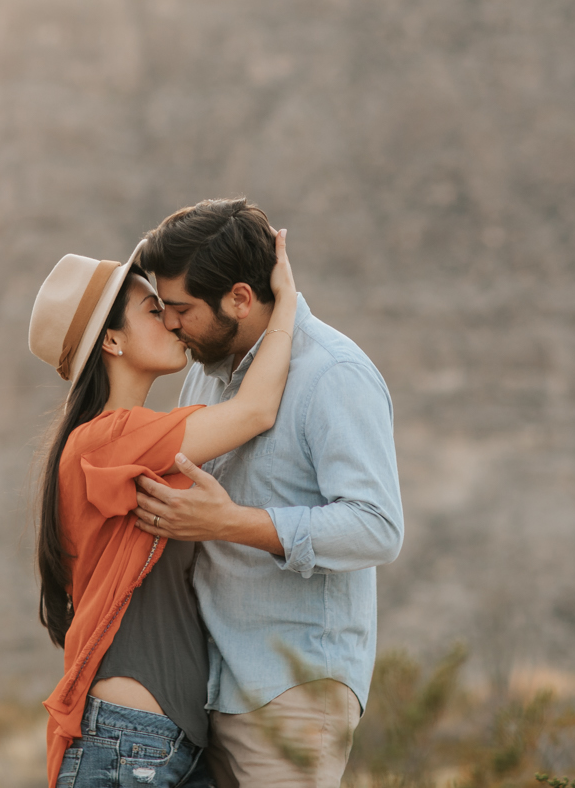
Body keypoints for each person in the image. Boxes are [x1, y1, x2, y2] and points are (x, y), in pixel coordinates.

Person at [132, 199, 403, 788]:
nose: (170, 323)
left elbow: (377, 527)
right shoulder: (204, 371)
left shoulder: (333, 374)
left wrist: (230, 522)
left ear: (240, 298)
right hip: (209, 689)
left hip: (293, 691)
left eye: (180, 308)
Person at [30, 230, 299, 788]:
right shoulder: (108, 437)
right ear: (113, 342)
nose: (173, 321)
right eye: (154, 310)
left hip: (158, 740)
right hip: (130, 742)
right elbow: (254, 411)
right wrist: (286, 303)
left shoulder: (132, 438)